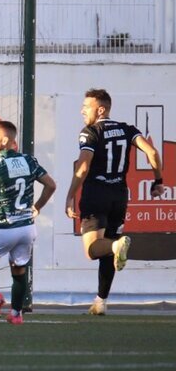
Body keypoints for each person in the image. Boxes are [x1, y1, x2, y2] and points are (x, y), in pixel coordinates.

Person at [65, 88, 164, 316]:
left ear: (100, 109)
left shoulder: (90, 132)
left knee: (93, 250)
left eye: (86, 106)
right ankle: (101, 301)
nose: (82, 110)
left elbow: (82, 167)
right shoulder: (126, 129)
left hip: (96, 192)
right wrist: (158, 179)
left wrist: (70, 195)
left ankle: (114, 246)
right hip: (119, 195)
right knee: (109, 251)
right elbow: (152, 152)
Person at [0, 121, 56, 325]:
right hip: (27, 227)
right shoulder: (28, 160)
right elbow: (51, 185)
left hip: (3, 226)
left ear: (5, 140)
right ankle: (16, 314)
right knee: (19, 269)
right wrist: (38, 206)